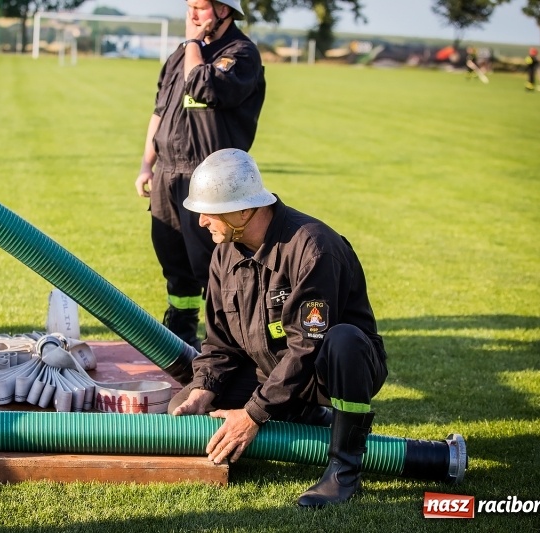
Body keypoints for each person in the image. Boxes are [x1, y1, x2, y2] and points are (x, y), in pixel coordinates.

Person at [168, 149, 388, 508]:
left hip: (326, 371)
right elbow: (220, 344)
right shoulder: (225, 253)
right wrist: (202, 389)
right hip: (271, 371)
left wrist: (254, 414)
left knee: (343, 340)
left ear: (245, 210)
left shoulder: (314, 249)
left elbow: (308, 347)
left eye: (211, 211)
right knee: (184, 407)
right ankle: (306, 417)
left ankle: (344, 470)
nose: (201, 221)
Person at [134, 0, 266, 352]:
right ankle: (180, 334)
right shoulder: (180, 54)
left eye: (201, 7)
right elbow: (160, 111)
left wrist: (193, 44)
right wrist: (147, 164)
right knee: (174, 264)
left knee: (215, 268)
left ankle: (230, 346)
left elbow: (203, 86)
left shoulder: (241, 54)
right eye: (189, 6)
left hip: (211, 179)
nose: (192, 15)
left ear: (224, 11)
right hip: (168, 173)